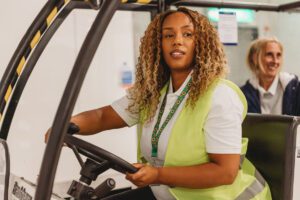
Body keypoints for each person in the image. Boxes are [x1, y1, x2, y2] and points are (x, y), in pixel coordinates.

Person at [45, 7, 271, 200]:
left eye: (188, 34)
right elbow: (104, 117)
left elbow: (225, 172)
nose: (178, 41)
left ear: (201, 43)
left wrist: (158, 174)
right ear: (158, 44)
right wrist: (68, 126)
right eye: (168, 35)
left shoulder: (219, 96)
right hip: (166, 193)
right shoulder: (153, 93)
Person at [241, 37, 300, 115]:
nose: (275, 61)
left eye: (278, 55)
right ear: (255, 58)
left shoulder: (295, 89)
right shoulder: (245, 94)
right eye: (269, 55)